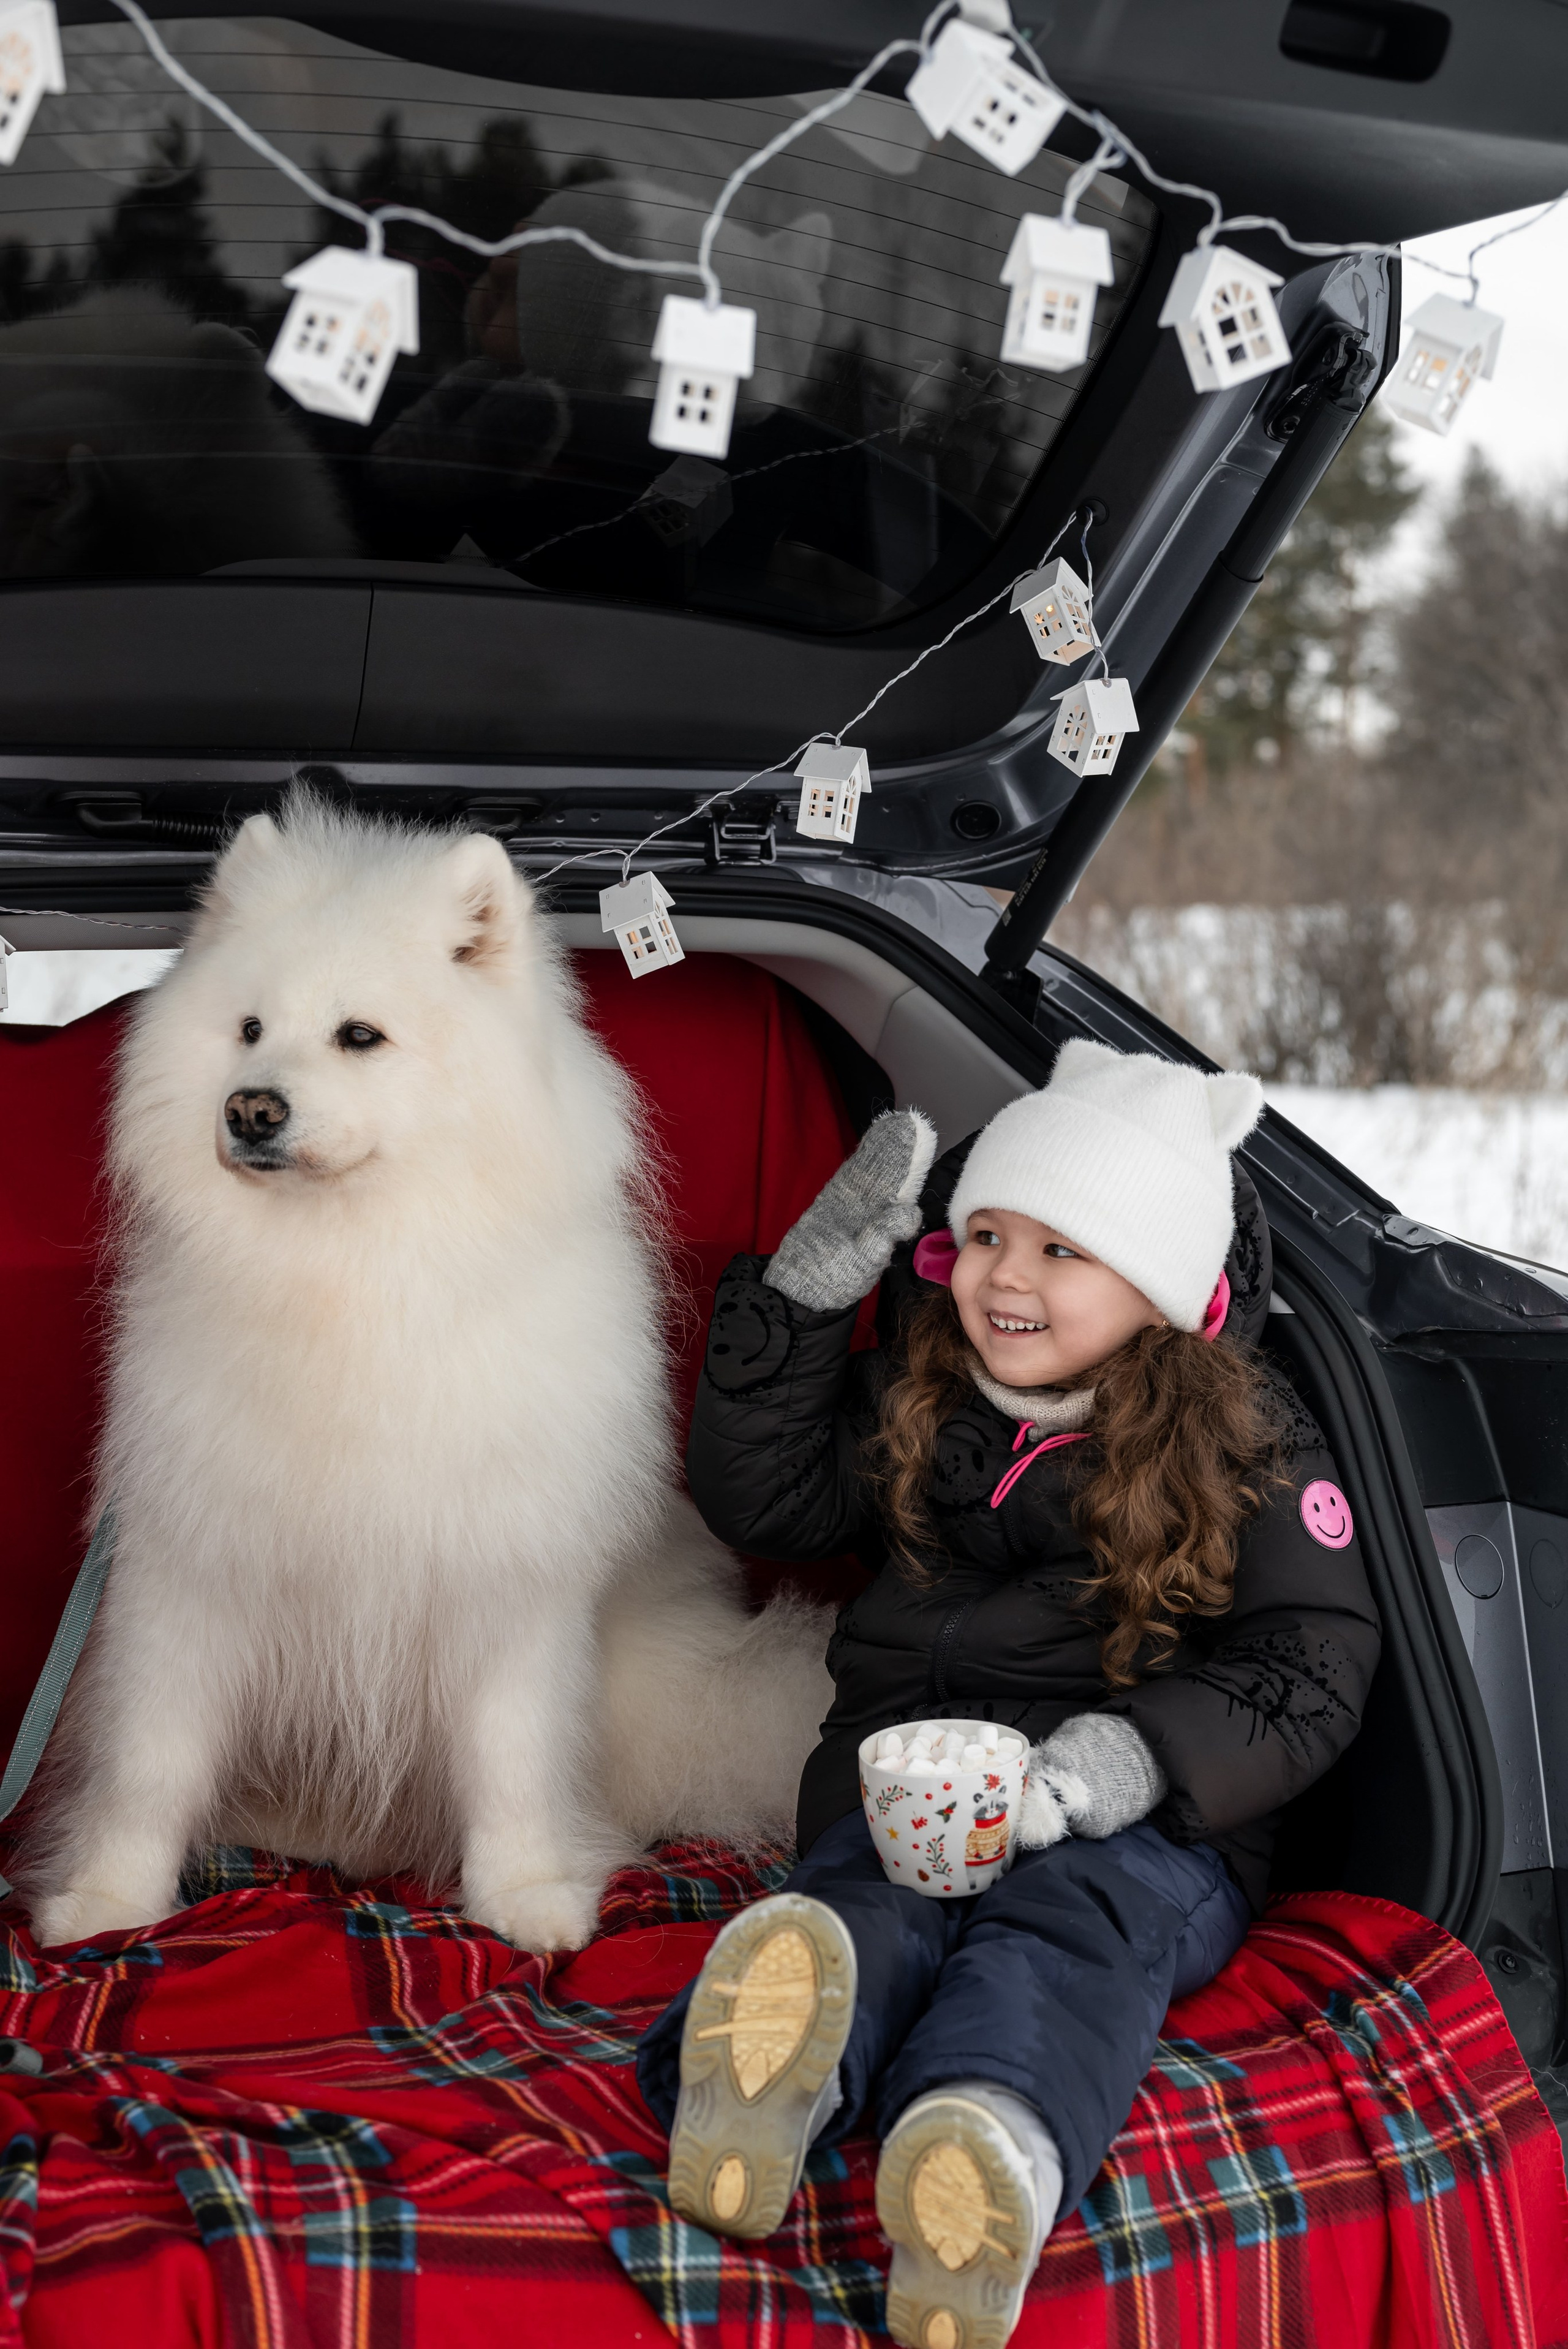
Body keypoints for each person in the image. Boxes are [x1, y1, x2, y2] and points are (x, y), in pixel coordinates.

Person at [635, 1040, 1381, 2349]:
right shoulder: (924, 1394)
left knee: (1067, 1927)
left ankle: (988, 2145)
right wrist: (806, 1308)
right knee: (865, 1907)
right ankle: (761, 2088)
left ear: (1155, 1286)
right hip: (917, 1789)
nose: (1003, 1278)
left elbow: (1310, 1659)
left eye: (1057, 1250)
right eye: (984, 1234)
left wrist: (1122, 1769)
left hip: (1144, 1821)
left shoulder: (1241, 1441)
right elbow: (765, 1501)